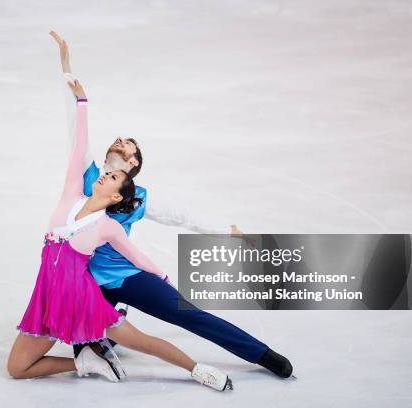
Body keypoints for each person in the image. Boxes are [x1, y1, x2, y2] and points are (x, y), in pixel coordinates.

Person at [49, 31, 293, 379]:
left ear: (132, 165)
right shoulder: (85, 173)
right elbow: (75, 124)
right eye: (118, 139)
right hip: (85, 280)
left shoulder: (139, 197)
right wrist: (66, 69)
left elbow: (182, 215)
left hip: (125, 275)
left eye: (128, 145)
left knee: (185, 313)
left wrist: (228, 231)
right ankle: (108, 331)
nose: (119, 141)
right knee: (85, 340)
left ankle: (262, 354)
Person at [6, 66, 233, 392]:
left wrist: (165, 282)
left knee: (143, 342)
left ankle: (199, 370)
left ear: (115, 196)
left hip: (81, 300)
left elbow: (138, 259)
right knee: (17, 368)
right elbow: (78, 145)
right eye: (106, 172)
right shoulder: (71, 193)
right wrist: (81, 103)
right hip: (46, 299)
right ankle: (85, 362)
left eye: (111, 178)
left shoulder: (108, 227)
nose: (102, 174)